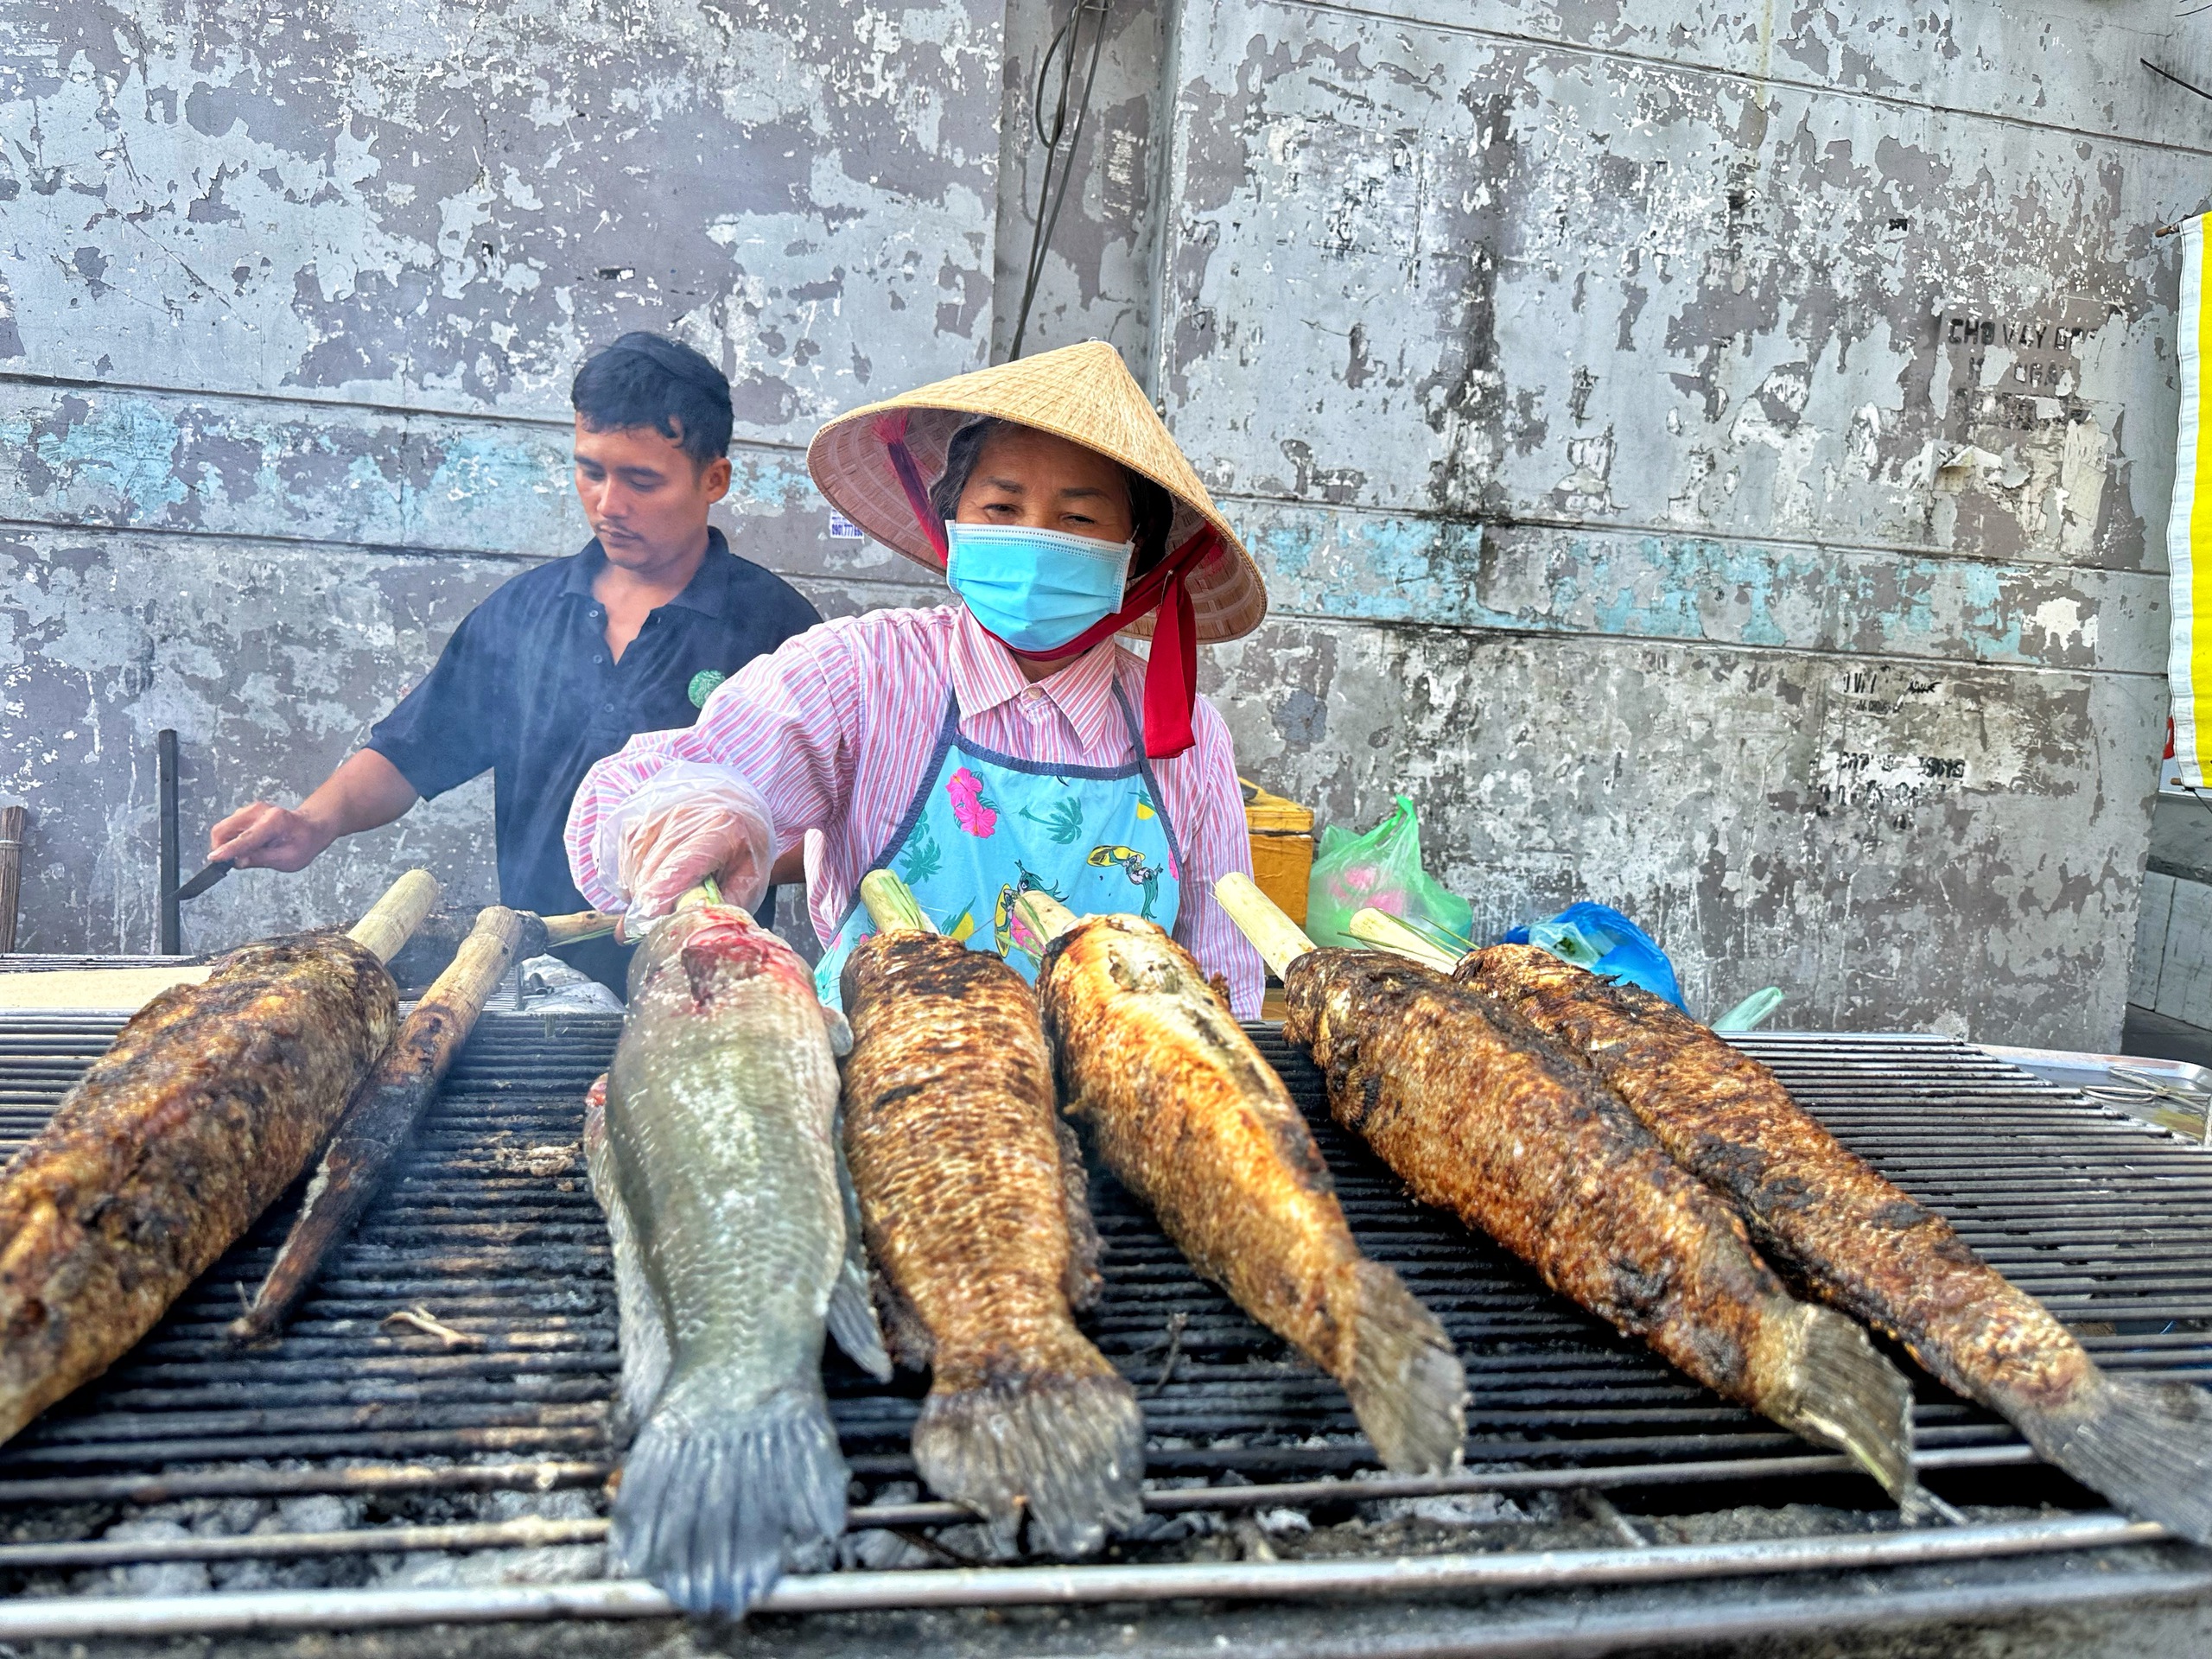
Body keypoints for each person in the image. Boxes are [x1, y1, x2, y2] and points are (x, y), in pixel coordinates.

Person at [564, 339, 1268, 1014]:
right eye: (1002, 508)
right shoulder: (862, 672)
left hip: (1115, 1102)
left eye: (1078, 518)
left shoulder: (1186, 733)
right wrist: (692, 815)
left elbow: (1221, 975)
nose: (1036, 536)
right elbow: (634, 792)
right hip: (893, 1090)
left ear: (1134, 552)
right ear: (953, 522)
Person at [207, 334, 822, 990]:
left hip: (706, 983)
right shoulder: (525, 613)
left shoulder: (779, 632)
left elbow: (839, 825)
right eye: (591, 471)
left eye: (642, 480)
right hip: (534, 982)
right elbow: (414, 750)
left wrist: (733, 852)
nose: (609, 504)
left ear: (714, 480)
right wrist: (313, 821)